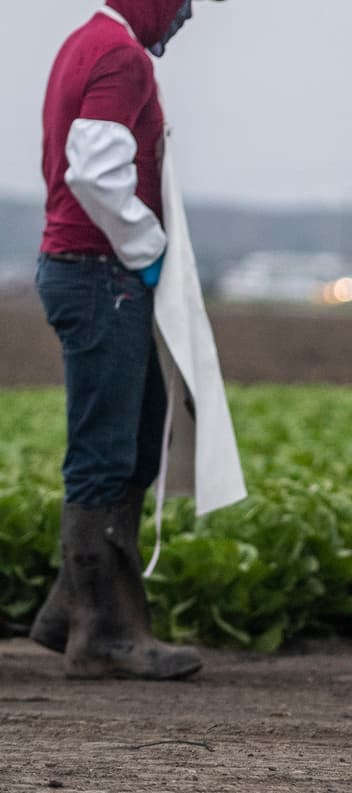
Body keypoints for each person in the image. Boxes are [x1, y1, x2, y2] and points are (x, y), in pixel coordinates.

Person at [30, 0, 233, 681]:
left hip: (93, 272)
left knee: (138, 437)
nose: (187, 14)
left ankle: (72, 608)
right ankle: (104, 631)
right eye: (181, 1)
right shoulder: (119, 56)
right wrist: (147, 249)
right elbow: (93, 168)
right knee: (107, 451)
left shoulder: (90, 44)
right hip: (100, 274)